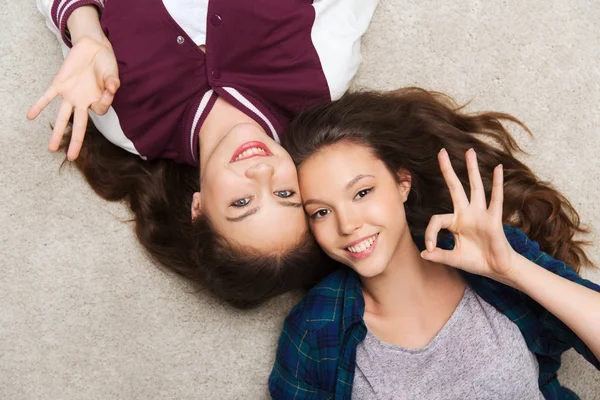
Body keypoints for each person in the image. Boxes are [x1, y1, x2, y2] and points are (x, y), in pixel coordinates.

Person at [28, 0, 378, 308]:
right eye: (285, 193)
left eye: (241, 203)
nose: (260, 172)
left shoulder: (127, 123)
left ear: (198, 208)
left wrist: (86, 32)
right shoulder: (320, 75)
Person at [269, 88, 600, 398]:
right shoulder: (315, 329)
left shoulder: (492, 254)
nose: (348, 224)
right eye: (322, 211)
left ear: (402, 183)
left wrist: (514, 270)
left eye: (362, 192)